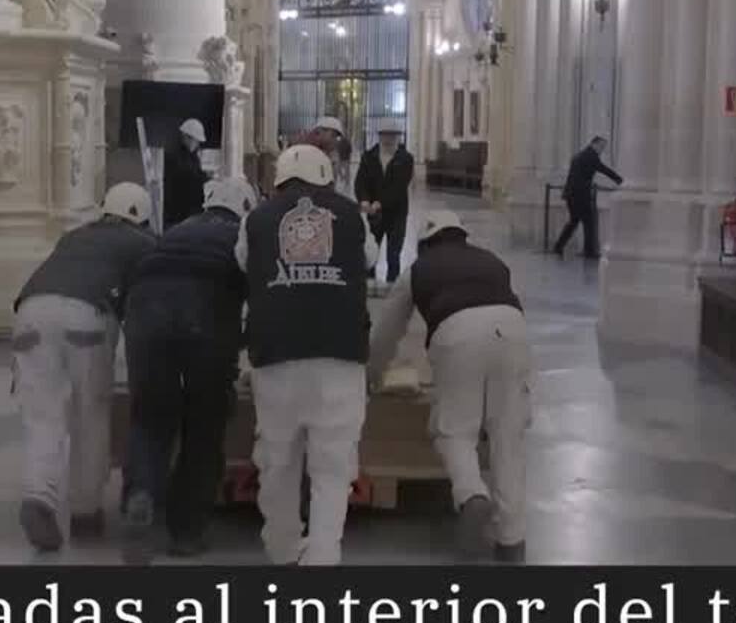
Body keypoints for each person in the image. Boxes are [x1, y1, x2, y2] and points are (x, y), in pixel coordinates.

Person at [235, 144, 378, 565]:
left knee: (278, 461)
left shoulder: (256, 218)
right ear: (326, 176)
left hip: (275, 354)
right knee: (332, 467)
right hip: (340, 356)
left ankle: (280, 550)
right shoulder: (351, 215)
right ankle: (321, 557)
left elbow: (242, 261)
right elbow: (368, 259)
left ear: (278, 178)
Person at [369, 210, 531, 562]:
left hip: (458, 334)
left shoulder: (418, 271)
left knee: (455, 430)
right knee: (507, 434)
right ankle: (511, 540)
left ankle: (472, 495)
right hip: (514, 331)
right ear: (461, 235)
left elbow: (387, 332)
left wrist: (372, 372)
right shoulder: (492, 260)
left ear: (426, 244)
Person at [9, 182, 158, 553]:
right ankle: (86, 512)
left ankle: (38, 497)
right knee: (89, 416)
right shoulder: (142, 243)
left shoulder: (74, 235)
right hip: (86, 317)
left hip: (30, 312)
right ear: (140, 216)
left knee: (42, 417)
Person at [118, 178, 258, 562]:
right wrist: (243, 343)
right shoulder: (245, 235)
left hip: (145, 316)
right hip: (205, 321)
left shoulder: (176, 230)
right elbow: (261, 297)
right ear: (246, 207)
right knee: (203, 424)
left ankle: (141, 493)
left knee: (150, 415)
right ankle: (187, 531)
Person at [354, 132, 415, 284]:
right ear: (380, 136)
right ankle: (369, 285)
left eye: (392, 135)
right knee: (371, 252)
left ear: (398, 137)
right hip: (374, 215)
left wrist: (379, 203)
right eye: (385, 135)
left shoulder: (405, 159)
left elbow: (399, 187)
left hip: (397, 214)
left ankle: (392, 287)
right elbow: (360, 181)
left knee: (393, 255)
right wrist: (364, 200)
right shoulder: (368, 156)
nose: (388, 138)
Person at [554, 135, 623, 259]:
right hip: (580, 195)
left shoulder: (580, 155)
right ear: (594, 144)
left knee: (574, 221)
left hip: (571, 194)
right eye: (602, 146)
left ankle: (558, 246)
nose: (602, 149)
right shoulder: (591, 156)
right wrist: (620, 180)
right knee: (588, 223)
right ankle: (589, 252)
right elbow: (604, 169)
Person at [163, 118, 209, 229]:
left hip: (189, 213)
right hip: (178, 214)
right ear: (186, 137)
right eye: (195, 140)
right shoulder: (174, 156)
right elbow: (188, 177)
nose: (197, 144)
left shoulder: (192, 156)